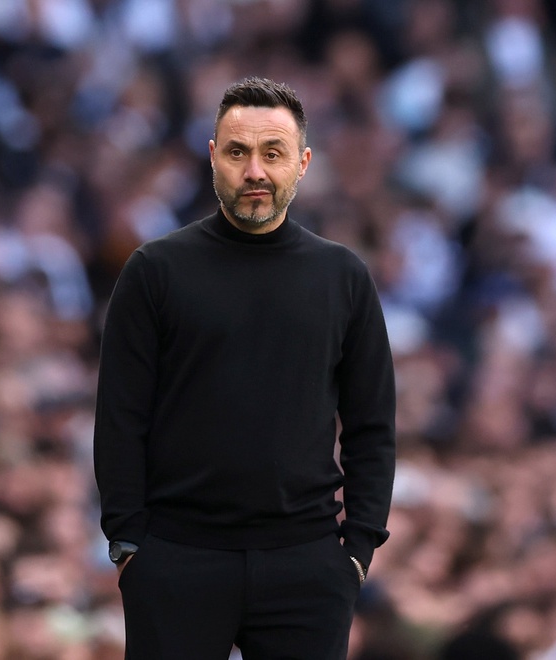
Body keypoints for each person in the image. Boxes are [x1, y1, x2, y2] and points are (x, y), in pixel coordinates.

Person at [93, 77, 397, 660]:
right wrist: (128, 544)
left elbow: (372, 424)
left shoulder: (343, 277)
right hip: (176, 558)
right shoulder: (155, 270)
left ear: (302, 163)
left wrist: (357, 549)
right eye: (238, 152)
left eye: (273, 153)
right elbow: (119, 418)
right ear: (213, 157)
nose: (255, 170)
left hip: (306, 563)